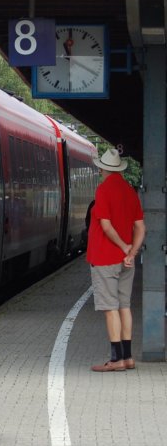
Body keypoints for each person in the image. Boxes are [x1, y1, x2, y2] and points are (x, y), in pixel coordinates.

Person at [86, 148, 146, 372]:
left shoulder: (103, 190)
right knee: (124, 307)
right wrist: (131, 252)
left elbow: (105, 225)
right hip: (125, 262)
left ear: (103, 169)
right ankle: (128, 357)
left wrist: (123, 246)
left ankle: (115, 360)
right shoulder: (130, 191)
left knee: (110, 308)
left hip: (104, 258)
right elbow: (140, 226)